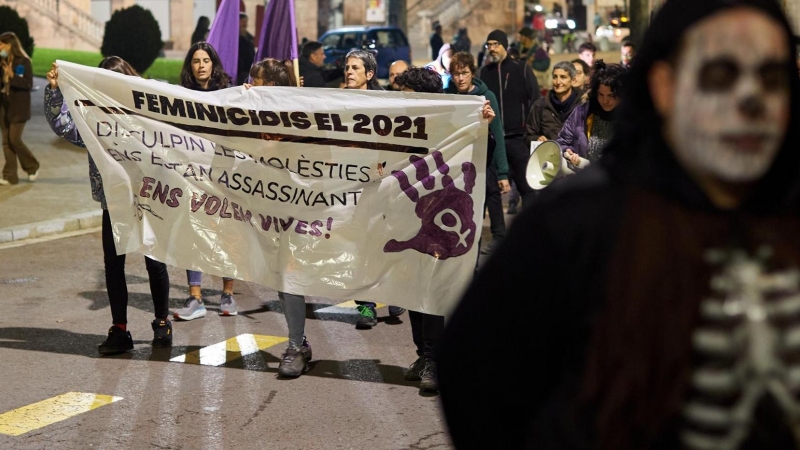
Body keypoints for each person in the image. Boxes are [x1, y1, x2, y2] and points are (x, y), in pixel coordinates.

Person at [438, 0, 800, 448]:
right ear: (666, 85)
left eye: (772, 77)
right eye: (721, 74)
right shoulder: (578, 222)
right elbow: (476, 373)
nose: (752, 100)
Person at [44, 57, 172, 354]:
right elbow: (64, 126)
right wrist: (54, 90)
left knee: (155, 262)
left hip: (147, 199)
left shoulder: (144, 111)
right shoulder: (92, 117)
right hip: (112, 202)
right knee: (114, 267)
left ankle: (162, 323)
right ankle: (120, 330)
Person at [394, 65, 497, 392]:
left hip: (442, 220)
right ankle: (423, 355)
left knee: (433, 289)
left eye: (406, 93)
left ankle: (435, 360)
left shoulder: (451, 123)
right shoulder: (398, 124)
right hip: (409, 214)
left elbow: (482, 153)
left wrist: (485, 128)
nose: (400, 98)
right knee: (412, 288)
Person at [244, 58, 313, 377]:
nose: (248, 83)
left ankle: (296, 347)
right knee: (283, 284)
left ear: (270, 86)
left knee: (291, 277)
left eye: (253, 80)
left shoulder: (296, 119)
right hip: (268, 211)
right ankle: (299, 341)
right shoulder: (254, 114)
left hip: (297, 210)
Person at [174, 42, 239, 320]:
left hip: (223, 174)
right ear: (190, 66)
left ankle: (227, 294)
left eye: (205, 60)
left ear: (214, 64)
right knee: (193, 232)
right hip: (193, 175)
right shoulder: (180, 96)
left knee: (225, 233)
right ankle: (196, 297)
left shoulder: (229, 94)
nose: (201, 65)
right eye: (195, 61)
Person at [445, 51, 511, 261]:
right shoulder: (447, 97)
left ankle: (497, 239)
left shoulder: (486, 96)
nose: (460, 78)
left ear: (472, 73)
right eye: (456, 74)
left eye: (464, 73)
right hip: (457, 162)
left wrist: (503, 172)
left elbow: (498, 133)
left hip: (485, 158)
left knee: (491, 196)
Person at [479, 29, 540, 248]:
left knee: (527, 186)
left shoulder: (521, 69)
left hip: (518, 138)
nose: (492, 48)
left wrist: (531, 131)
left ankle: (531, 234)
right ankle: (499, 238)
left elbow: (535, 100)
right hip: (494, 140)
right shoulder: (483, 74)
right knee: (493, 191)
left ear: (505, 45)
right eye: (489, 44)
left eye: (496, 43)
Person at [557, 60, 626, 166]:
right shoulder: (582, 112)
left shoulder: (630, 117)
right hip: (586, 176)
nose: (605, 101)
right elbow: (562, 141)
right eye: (601, 95)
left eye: (611, 96)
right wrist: (568, 152)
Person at [0, 32, 38, 186]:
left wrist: (12, 75)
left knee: (14, 139)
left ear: (10, 45)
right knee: (6, 141)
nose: (0, 48)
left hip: (18, 108)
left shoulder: (23, 62)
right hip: (3, 106)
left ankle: (32, 166)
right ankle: (10, 176)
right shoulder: (1, 62)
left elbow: (27, 84)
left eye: (2, 45)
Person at [525, 61, 582, 145]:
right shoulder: (540, 106)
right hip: (550, 156)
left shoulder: (583, 105)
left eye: (563, 77)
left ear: (573, 80)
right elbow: (528, 136)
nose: (558, 82)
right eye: (555, 77)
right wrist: (536, 139)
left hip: (577, 157)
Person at [237, 12, 256, 85]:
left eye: (245, 22)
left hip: (248, 68)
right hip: (240, 69)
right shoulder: (235, 38)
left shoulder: (249, 37)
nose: (244, 24)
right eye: (242, 22)